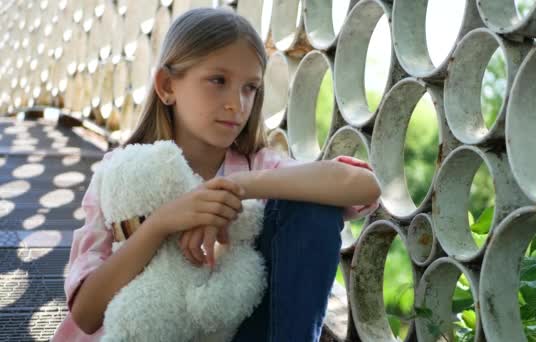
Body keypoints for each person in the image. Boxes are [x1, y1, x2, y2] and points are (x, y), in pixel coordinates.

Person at [52, 7, 380, 342]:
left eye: (250, 88)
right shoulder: (121, 176)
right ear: (167, 86)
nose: (237, 104)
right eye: (218, 81)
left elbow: (364, 186)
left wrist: (232, 188)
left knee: (313, 206)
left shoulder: (258, 166)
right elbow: (87, 313)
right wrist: (161, 223)